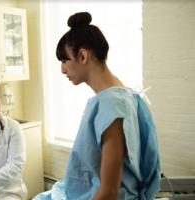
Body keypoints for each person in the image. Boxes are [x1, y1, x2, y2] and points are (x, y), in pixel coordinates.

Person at [33, 12, 160, 200]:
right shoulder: (124, 94)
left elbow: (109, 191)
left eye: (64, 60)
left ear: (82, 55)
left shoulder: (112, 105)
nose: (62, 69)